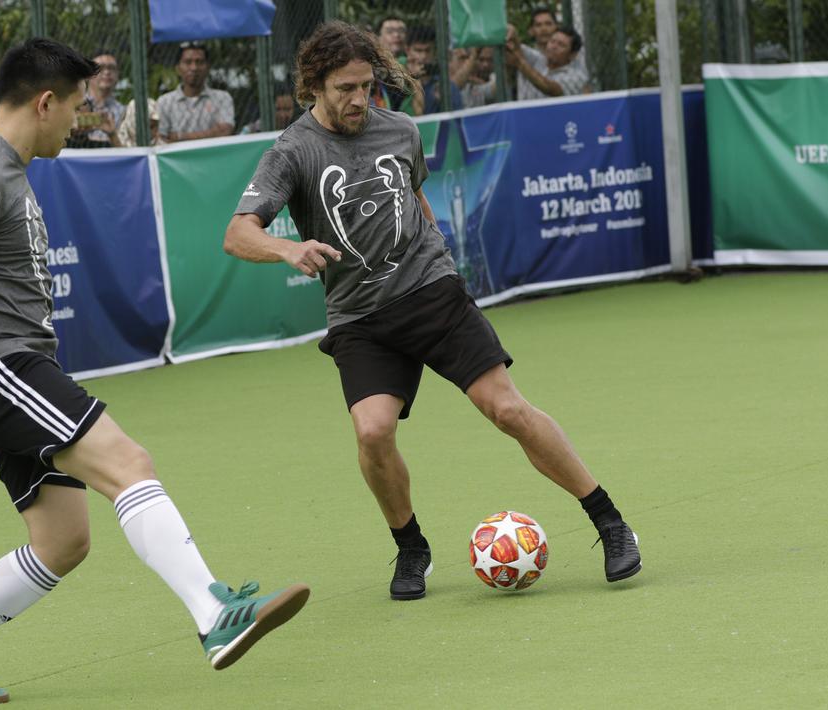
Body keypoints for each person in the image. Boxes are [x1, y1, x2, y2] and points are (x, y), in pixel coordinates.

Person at [0, 37, 309, 705]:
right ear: (43, 102)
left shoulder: (10, 173)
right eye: (74, 106)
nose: (80, 119)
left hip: (0, 375)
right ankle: (213, 613)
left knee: (62, 539)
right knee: (128, 461)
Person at [224, 21, 642, 602]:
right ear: (314, 85)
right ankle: (411, 547)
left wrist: (435, 243)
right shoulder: (292, 151)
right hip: (359, 317)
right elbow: (238, 233)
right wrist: (288, 247)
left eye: (367, 86)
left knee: (508, 411)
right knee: (373, 432)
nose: (358, 100)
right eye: (345, 88)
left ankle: (609, 521)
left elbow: (413, 192)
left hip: (430, 292)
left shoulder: (398, 127)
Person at [157, 42, 234, 142]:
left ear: (207, 67)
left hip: (214, 156)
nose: (194, 68)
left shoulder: (222, 98)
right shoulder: (165, 102)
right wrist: (212, 133)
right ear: (178, 69)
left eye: (200, 62)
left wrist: (179, 136)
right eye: (188, 62)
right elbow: (161, 139)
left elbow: (225, 132)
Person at [506, 24, 589, 99]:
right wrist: (513, 33)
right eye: (552, 41)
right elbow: (516, 48)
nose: (554, 46)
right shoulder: (539, 59)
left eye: (561, 45)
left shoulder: (577, 76)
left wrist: (520, 63)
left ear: (572, 55)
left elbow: (551, 88)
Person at [77, 50, 125, 147]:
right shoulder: (75, 105)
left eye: (111, 68)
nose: (107, 72)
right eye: (100, 68)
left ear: (117, 74)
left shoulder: (124, 111)